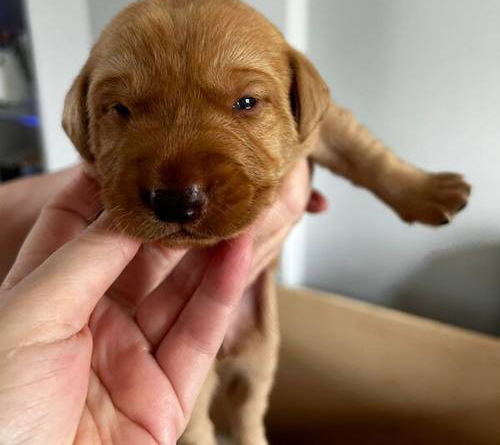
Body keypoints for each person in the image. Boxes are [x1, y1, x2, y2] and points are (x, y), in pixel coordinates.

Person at [0, 159, 325, 444]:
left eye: (246, 104)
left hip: (238, 305)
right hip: (154, 325)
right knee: (187, 409)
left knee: (251, 398)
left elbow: (341, 138)